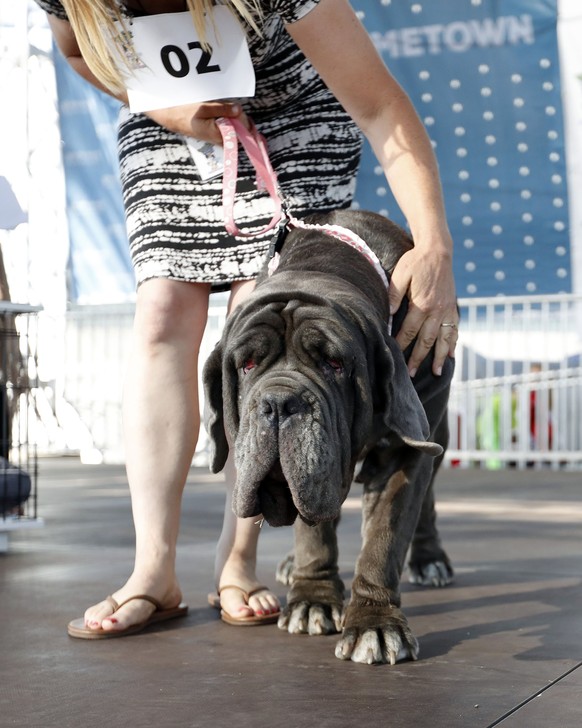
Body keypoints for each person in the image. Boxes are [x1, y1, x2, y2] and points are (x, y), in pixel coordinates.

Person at [36, 0, 459, 638]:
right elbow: (76, 51)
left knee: (256, 311)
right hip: (165, 116)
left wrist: (434, 251)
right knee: (159, 313)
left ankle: (240, 559)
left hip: (296, 113)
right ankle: (153, 569)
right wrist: (160, 107)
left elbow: (380, 108)